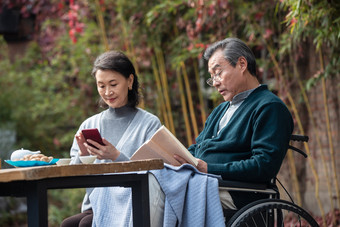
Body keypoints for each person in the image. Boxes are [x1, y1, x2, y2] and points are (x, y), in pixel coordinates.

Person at [174, 37, 294, 209]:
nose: (215, 83)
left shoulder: (269, 107)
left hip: (237, 192)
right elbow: (197, 148)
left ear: (242, 64)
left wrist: (209, 168)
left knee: (163, 194)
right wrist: (176, 157)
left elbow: (263, 165)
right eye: (211, 77)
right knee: (155, 183)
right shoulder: (220, 111)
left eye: (218, 73)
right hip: (207, 183)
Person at [61, 50, 162, 227]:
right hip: (96, 204)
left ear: (130, 81)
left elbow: (157, 174)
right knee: (68, 224)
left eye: (113, 84)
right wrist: (84, 156)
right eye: (101, 86)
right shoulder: (89, 125)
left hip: (134, 203)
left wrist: (116, 155)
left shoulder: (149, 124)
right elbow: (73, 175)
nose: (107, 92)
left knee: (85, 224)